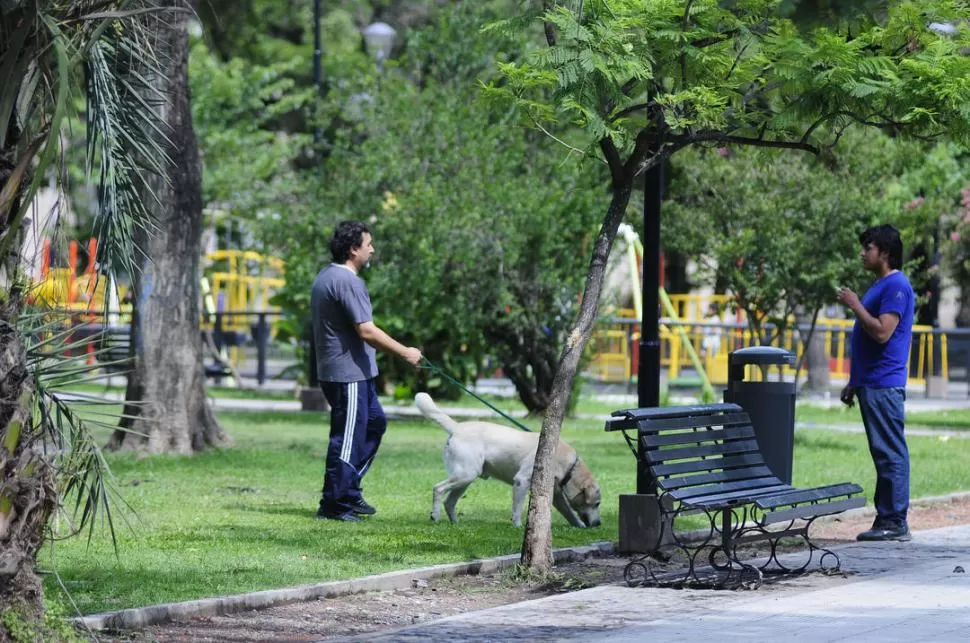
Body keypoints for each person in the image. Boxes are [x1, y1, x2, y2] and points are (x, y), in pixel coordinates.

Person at [311, 221, 422, 522]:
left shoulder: (327, 275)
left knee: (375, 424)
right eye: (368, 243)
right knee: (346, 438)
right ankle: (334, 505)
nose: (372, 249)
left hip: (354, 374)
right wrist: (406, 353)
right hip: (348, 376)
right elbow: (367, 331)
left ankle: (348, 490)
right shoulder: (346, 281)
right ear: (353, 249)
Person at [837, 224, 915, 542]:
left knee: (890, 452)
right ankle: (886, 517)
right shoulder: (881, 285)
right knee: (882, 451)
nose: (862, 253)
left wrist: (855, 305)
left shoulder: (896, 286)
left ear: (884, 252)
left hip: (884, 383)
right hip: (872, 382)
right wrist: (854, 382)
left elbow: (883, 332)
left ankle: (895, 521)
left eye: (867, 247)